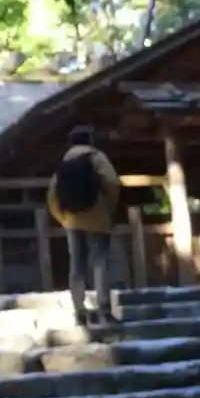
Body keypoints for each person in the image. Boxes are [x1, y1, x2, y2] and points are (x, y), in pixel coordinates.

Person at [47, 125, 122, 326]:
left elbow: (52, 196)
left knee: (77, 266)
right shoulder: (97, 157)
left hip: (72, 221)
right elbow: (112, 184)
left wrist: (63, 218)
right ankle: (104, 309)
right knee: (99, 263)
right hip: (97, 219)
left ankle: (79, 309)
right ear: (90, 140)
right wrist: (108, 210)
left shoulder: (64, 163)